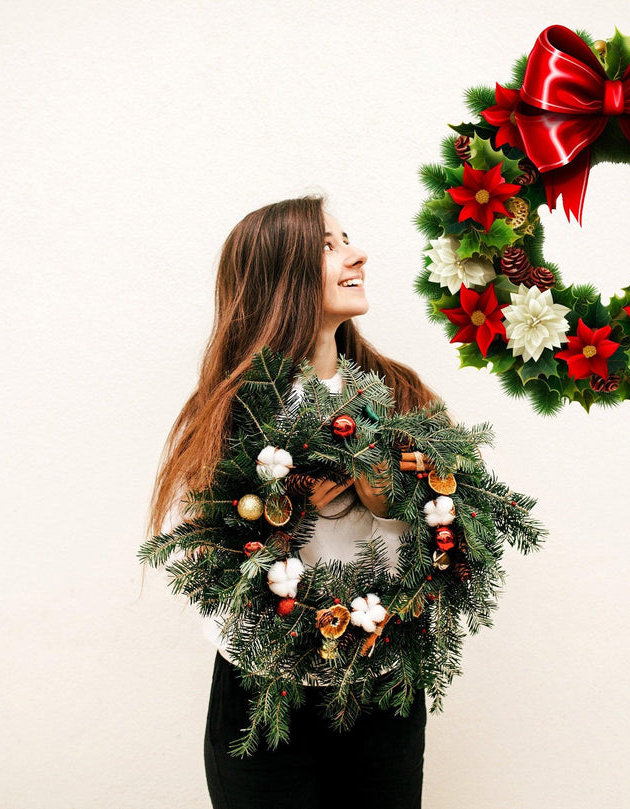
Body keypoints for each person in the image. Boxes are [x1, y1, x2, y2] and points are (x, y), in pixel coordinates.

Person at [145, 194, 441, 808]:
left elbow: (452, 537)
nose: (357, 254)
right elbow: (197, 558)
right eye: (328, 246)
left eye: (347, 239)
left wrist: (388, 501)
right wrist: (280, 514)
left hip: (383, 683)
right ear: (281, 278)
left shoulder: (398, 394)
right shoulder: (232, 411)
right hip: (262, 694)